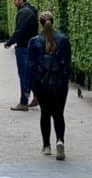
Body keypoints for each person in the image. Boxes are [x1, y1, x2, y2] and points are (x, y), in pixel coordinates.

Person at [28, 9, 71, 160]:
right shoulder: (63, 39)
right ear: (53, 22)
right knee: (59, 114)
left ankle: (46, 145)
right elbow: (67, 65)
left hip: (42, 83)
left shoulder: (34, 41)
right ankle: (60, 140)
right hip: (59, 83)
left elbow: (31, 66)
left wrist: (32, 87)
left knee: (45, 113)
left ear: (40, 24)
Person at [4, 0, 39, 111]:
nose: (13, 2)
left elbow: (19, 31)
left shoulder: (23, 12)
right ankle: (36, 97)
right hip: (32, 46)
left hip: (24, 47)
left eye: (15, 0)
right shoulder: (31, 10)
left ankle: (23, 102)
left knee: (24, 75)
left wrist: (10, 42)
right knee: (31, 74)